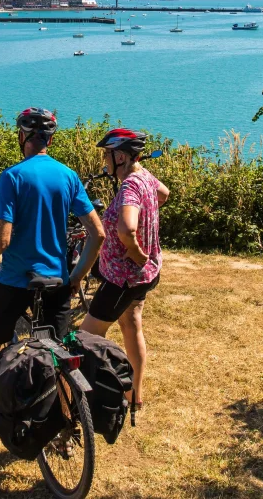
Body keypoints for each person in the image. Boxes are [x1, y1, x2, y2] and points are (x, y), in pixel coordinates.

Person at [0, 107, 105, 463]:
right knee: (60, 361)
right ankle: (66, 436)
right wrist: (75, 280)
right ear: (50, 139)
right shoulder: (68, 176)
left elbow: (3, 240)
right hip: (56, 281)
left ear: (22, 137)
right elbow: (97, 233)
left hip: (13, 281)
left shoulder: (12, 177)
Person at [80, 128, 169, 412]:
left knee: (86, 338)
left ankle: (97, 400)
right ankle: (135, 397)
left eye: (107, 154)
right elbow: (163, 194)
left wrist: (134, 249)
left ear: (119, 156)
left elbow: (127, 229)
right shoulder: (145, 177)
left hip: (123, 278)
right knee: (131, 327)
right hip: (145, 275)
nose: (105, 160)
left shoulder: (130, 186)